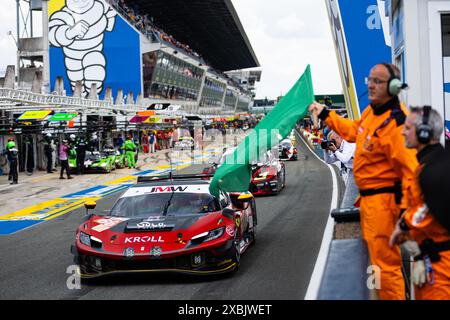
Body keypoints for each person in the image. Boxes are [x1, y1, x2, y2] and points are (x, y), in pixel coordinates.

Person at [309, 63, 418, 300]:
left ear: (393, 87)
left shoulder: (396, 124)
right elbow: (352, 130)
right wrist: (326, 114)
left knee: (386, 269)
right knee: (378, 267)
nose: (370, 84)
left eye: (377, 81)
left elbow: (412, 172)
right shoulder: (373, 112)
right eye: (370, 79)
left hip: (385, 205)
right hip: (370, 203)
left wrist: (406, 216)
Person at [389, 106, 450, 299]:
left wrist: (403, 225)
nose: (402, 132)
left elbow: (427, 207)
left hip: (441, 268)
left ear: (424, 133)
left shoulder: (433, 170)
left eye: (407, 128)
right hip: (430, 259)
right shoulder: (430, 165)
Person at [322, 131, 358, 208]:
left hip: (362, 170)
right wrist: (325, 151)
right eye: (331, 141)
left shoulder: (348, 144)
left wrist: (335, 151)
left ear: (340, 137)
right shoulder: (339, 148)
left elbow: (344, 159)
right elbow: (328, 161)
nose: (332, 143)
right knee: (353, 195)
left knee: (350, 198)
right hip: (353, 171)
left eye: (333, 140)